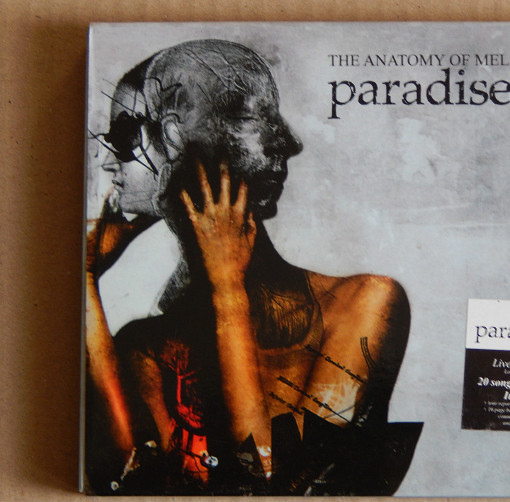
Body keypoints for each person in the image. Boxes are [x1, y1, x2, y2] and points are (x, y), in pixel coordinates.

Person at [85, 39, 421, 495]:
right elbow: (117, 482)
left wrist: (229, 290)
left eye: (126, 139)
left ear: (173, 135)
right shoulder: (145, 347)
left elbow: (263, 483)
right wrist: (83, 279)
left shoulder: (364, 303)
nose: (108, 161)